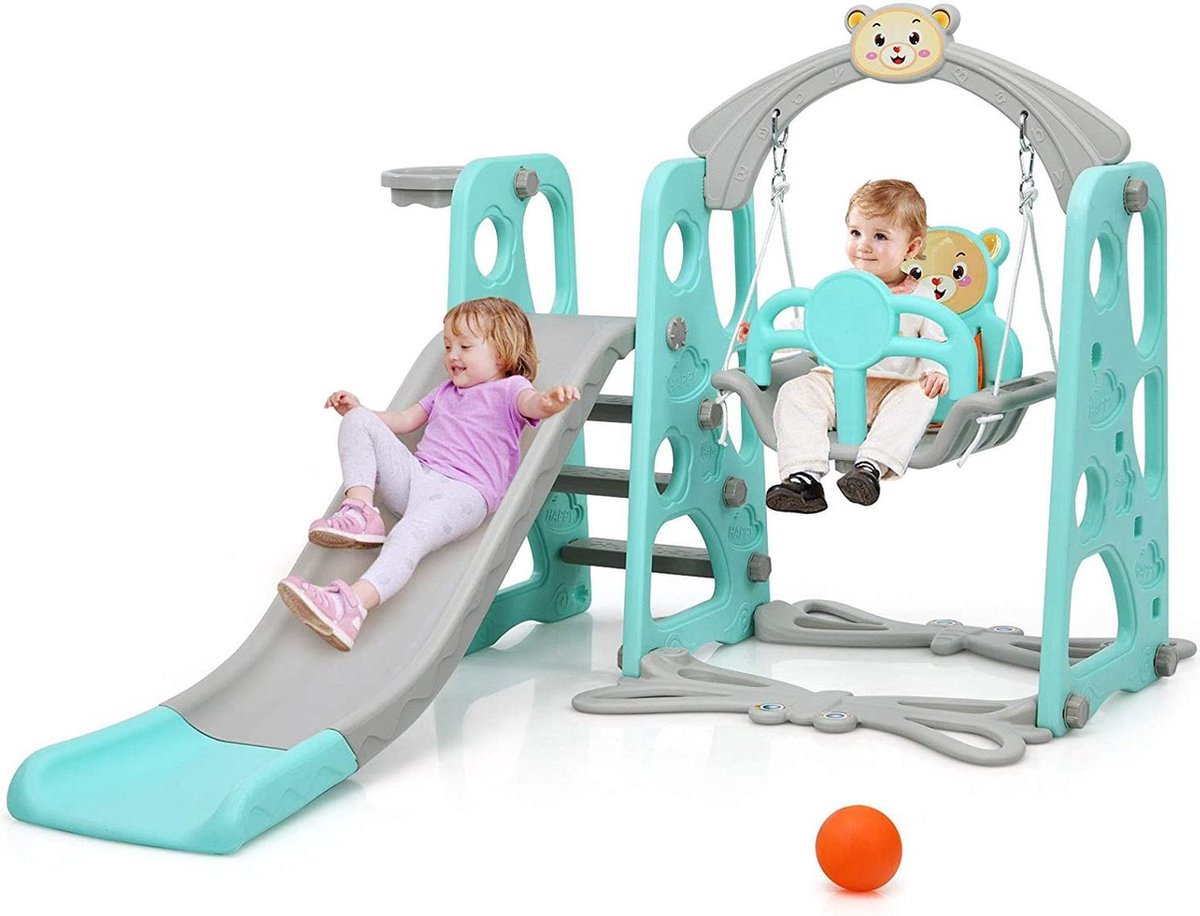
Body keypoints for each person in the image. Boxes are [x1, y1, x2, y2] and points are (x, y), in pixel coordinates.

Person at [278, 296, 580, 650]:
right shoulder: (445, 391)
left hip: (465, 493)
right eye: (449, 346)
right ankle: (361, 512)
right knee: (359, 420)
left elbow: (532, 405)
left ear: (502, 353)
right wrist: (359, 411)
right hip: (418, 477)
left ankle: (351, 605)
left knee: (407, 536)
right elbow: (404, 420)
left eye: (465, 346)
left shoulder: (510, 389)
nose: (453, 355)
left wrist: (550, 402)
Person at [766, 179, 949, 513]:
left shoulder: (922, 298)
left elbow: (938, 344)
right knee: (795, 391)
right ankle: (804, 478)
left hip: (894, 389)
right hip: (836, 384)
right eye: (855, 232)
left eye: (880, 236)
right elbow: (807, 329)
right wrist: (764, 339)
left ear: (910, 248)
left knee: (921, 397)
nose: (864, 245)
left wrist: (936, 372)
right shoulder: (840, 288)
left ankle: (869, 468)